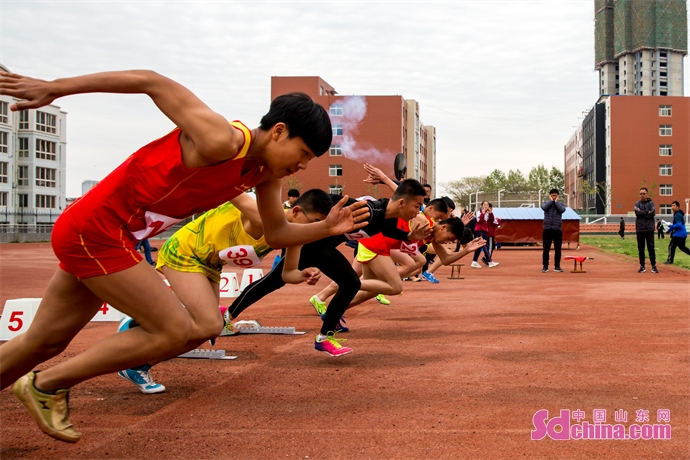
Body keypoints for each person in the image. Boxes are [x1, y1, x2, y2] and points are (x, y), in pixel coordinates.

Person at [0, 69, 369, 443]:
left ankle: (42, 378)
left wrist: (326, 229)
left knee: (44, 341)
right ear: (278, 131)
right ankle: (47, 384)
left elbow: (276, 234)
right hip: (97, 231)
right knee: (175, 329)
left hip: (113, 237)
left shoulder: (263, 176)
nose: (302, 166)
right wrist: (53, 88)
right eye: (303, 153)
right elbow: (151, 81)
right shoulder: (222, 139)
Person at [117, 190, 332, 393]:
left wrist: (304, 274)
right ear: (296, 211)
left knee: (209, 329)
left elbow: (288, 274)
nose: (315, 230)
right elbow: (231, 190)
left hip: (210, 265)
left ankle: (138, 359)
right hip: (185, 251)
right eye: (314, 223)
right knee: (209, 323)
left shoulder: (295, 235)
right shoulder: (260, 212)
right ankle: (140, 330)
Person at [224, 179, 431, 357]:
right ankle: (324, 336)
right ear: (402, 202)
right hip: (316, 243)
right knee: (350, 283)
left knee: (273, 281)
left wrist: (408, 237)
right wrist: (310, 220)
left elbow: (388, 229)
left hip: (315, 243)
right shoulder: (367, 210)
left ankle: (227, 316)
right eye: (417, 206)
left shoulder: (386, 215)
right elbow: (327, 201)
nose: (418, 211)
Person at [541, 188, 565, 273]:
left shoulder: (561, 204)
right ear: (549, 196)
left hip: (557, 229)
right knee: (546, 248)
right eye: (552, 196)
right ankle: (545, 266)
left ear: (558, 196)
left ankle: (557, 266)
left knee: (558, 248)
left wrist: (556, 202)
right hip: (547, 229)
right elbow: (544, 208)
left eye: (555, 196)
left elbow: (562, 210)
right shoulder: (546, 203)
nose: (554, 197)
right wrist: (551, 202)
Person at [634, 187, 657, 273]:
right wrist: (647, 212)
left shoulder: (651, 203)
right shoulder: (637, 203)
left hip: (649, 229)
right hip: (640, 229)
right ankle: (642, 266)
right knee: (641, 248)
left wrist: (642, 212)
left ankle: (653, 266)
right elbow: (637, 212)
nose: (642, 195)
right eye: (641, 194)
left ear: (647, 194)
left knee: (651, 247)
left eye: (644, 193)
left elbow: (652, 213)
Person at [471, 201, 497, 268]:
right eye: (485, 205)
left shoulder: (488, 213)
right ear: (482, 205)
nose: (486, 206)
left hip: (484, 231)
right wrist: (483, 213)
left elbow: (492, 220)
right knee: (484, 245)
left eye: (487, 205)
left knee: (479, 246)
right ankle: (489, 261)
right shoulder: (479, 212)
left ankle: (474, 261)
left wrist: (490, 213)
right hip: (480, 231)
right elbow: (479, 221)